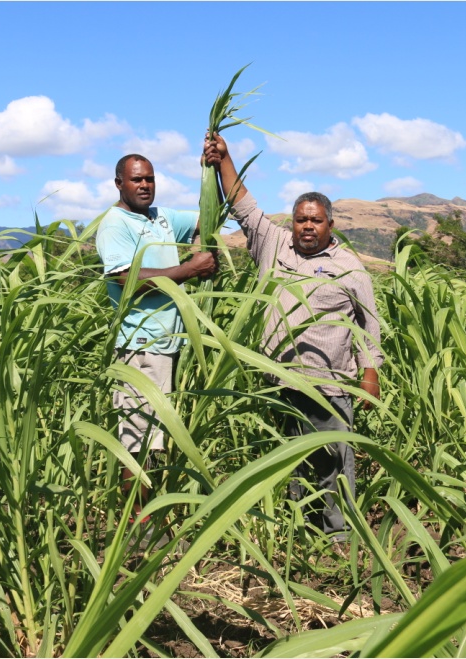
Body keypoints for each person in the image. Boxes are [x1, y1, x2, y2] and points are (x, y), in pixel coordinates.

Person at [203, 133, 384, 542]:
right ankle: (298, 536)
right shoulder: (275, 246)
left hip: (329, 385)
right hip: (280, 381)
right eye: (301, 219)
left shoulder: (350, 268)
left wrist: (369, 374)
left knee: (333, 463)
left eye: (315, 220)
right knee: (288, 462)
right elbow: (244, 206)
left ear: (330, 225)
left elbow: (367, 327)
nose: (306, 226)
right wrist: (224, 159)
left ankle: (338, 539)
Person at [95, 153, 218, 521]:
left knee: (157, 441)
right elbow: (125, 279)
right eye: (136, 180)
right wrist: (188, 268)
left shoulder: (159, 216)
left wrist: (212, 166)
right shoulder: (115, 224)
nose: (145, 185)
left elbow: (209, 216)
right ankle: (138, 526)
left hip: (169, 346)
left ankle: (154, 514)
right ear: (119, 183)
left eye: (149, 179)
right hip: (140, 348)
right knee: (137, 442)